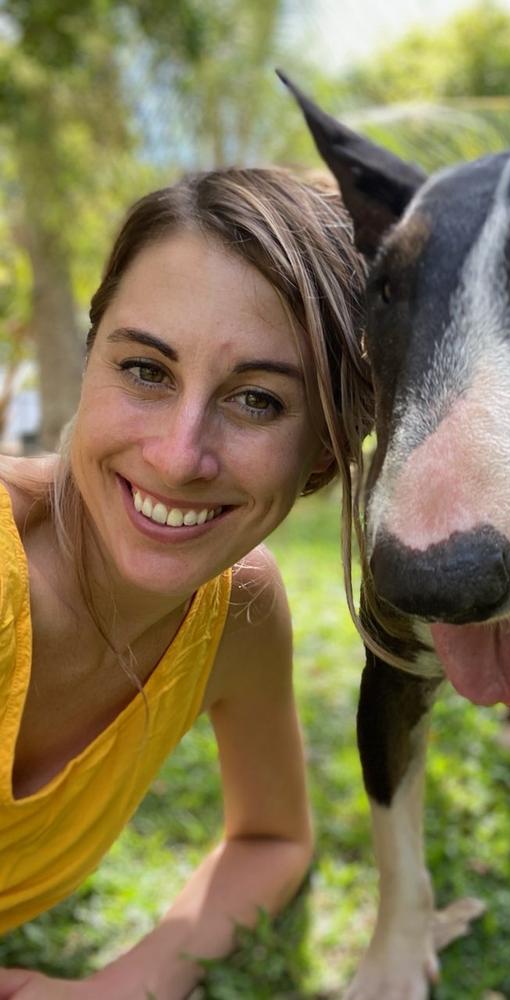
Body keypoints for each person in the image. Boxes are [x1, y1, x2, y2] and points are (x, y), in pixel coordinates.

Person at [0, 166, 373, 999]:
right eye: (145, 371)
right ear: (91, 361)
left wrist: (119, 988)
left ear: (323, 454)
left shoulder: (237, 612)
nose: (178, 455)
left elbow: (273, 841)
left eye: (255, 401)